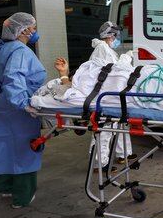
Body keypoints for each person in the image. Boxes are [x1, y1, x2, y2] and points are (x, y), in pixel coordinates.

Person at [53, 21, 135, 173]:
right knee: (106, 128)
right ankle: (98, 164)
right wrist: (125, 59)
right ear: (111, 35)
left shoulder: (106, 49)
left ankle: (123, 154)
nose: (118, 39)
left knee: (119, 124)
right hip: (103, 93)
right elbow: (109, 70)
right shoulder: (102, 48)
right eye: (117, 36)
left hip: (111, 91)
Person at [0, 12, 46, 208]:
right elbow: (13, 78)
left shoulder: (1, 48)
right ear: (24, 29)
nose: (34, 31)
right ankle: (23, 196)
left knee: (5, 144)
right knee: (25, 148)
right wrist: (25, 104)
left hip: (2, 104)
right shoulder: (20, 51)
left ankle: (6, 187)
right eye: (32, 27)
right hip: (18, 108)